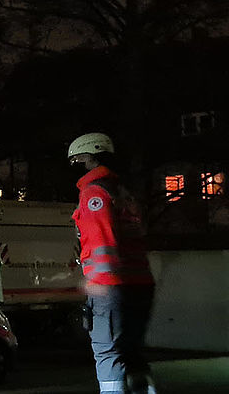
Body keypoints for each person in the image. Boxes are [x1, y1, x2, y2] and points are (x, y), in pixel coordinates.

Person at [67, 133, 156, 394]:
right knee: (131, 352)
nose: (76, 166)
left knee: (107, 351)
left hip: (111, 287)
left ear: (89, 157)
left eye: (77, 160)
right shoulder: (124, 193)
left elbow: (102, 241)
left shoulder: (94, 192)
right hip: (141, 284)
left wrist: (96, 284)